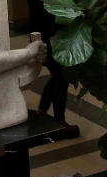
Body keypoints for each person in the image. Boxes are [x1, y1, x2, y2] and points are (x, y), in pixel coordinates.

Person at [28, 0, 80, 137]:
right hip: (51, 33)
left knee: (59, 75)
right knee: (61, 75)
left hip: (45, 31)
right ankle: (59, 120)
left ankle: (43, 111)